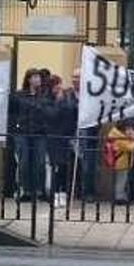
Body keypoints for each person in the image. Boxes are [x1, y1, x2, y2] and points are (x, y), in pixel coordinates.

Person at [12, 68, 51, 202]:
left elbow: (48, 112)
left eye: (39, 77)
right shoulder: (19, 95)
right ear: (28, 79)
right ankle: (25, 190)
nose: (37, 80)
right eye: (34, 77)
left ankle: (40, 190)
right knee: (24, 162)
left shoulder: (45, 95)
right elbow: (13, 111)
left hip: (40, 133)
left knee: (40, 162)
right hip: (22, 132)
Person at [68, 68, 98, 203]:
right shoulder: (67, 94)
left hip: (88, 134)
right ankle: (72, 191)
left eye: (79, 77)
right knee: (70, 165)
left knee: (88, 166)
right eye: (74, 77)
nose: (76, 80)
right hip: (70, 133)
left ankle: (88, 192)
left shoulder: (91, 94)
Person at [48, 74, 78, 208]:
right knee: (56, 167)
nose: (58, 87)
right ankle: (54, 194)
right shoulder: (48, 100)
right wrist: (59, 102)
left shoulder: (67, 97)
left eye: (59, 83)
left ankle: (63, 194)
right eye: (55, 85)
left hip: (66, 136)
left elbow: (72, 111)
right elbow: (51, 115)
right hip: (54, 137)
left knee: (65, 166)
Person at [106, 120, 134, 204]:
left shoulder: (117, 134)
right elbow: (129, 147)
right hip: (120, 162)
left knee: (122, 179)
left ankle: (121, 196)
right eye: (129, 128)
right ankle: (119, 197)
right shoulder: (118, 136)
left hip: (122, 161)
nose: (131, 131)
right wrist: (133, 140)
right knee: (121, 180)